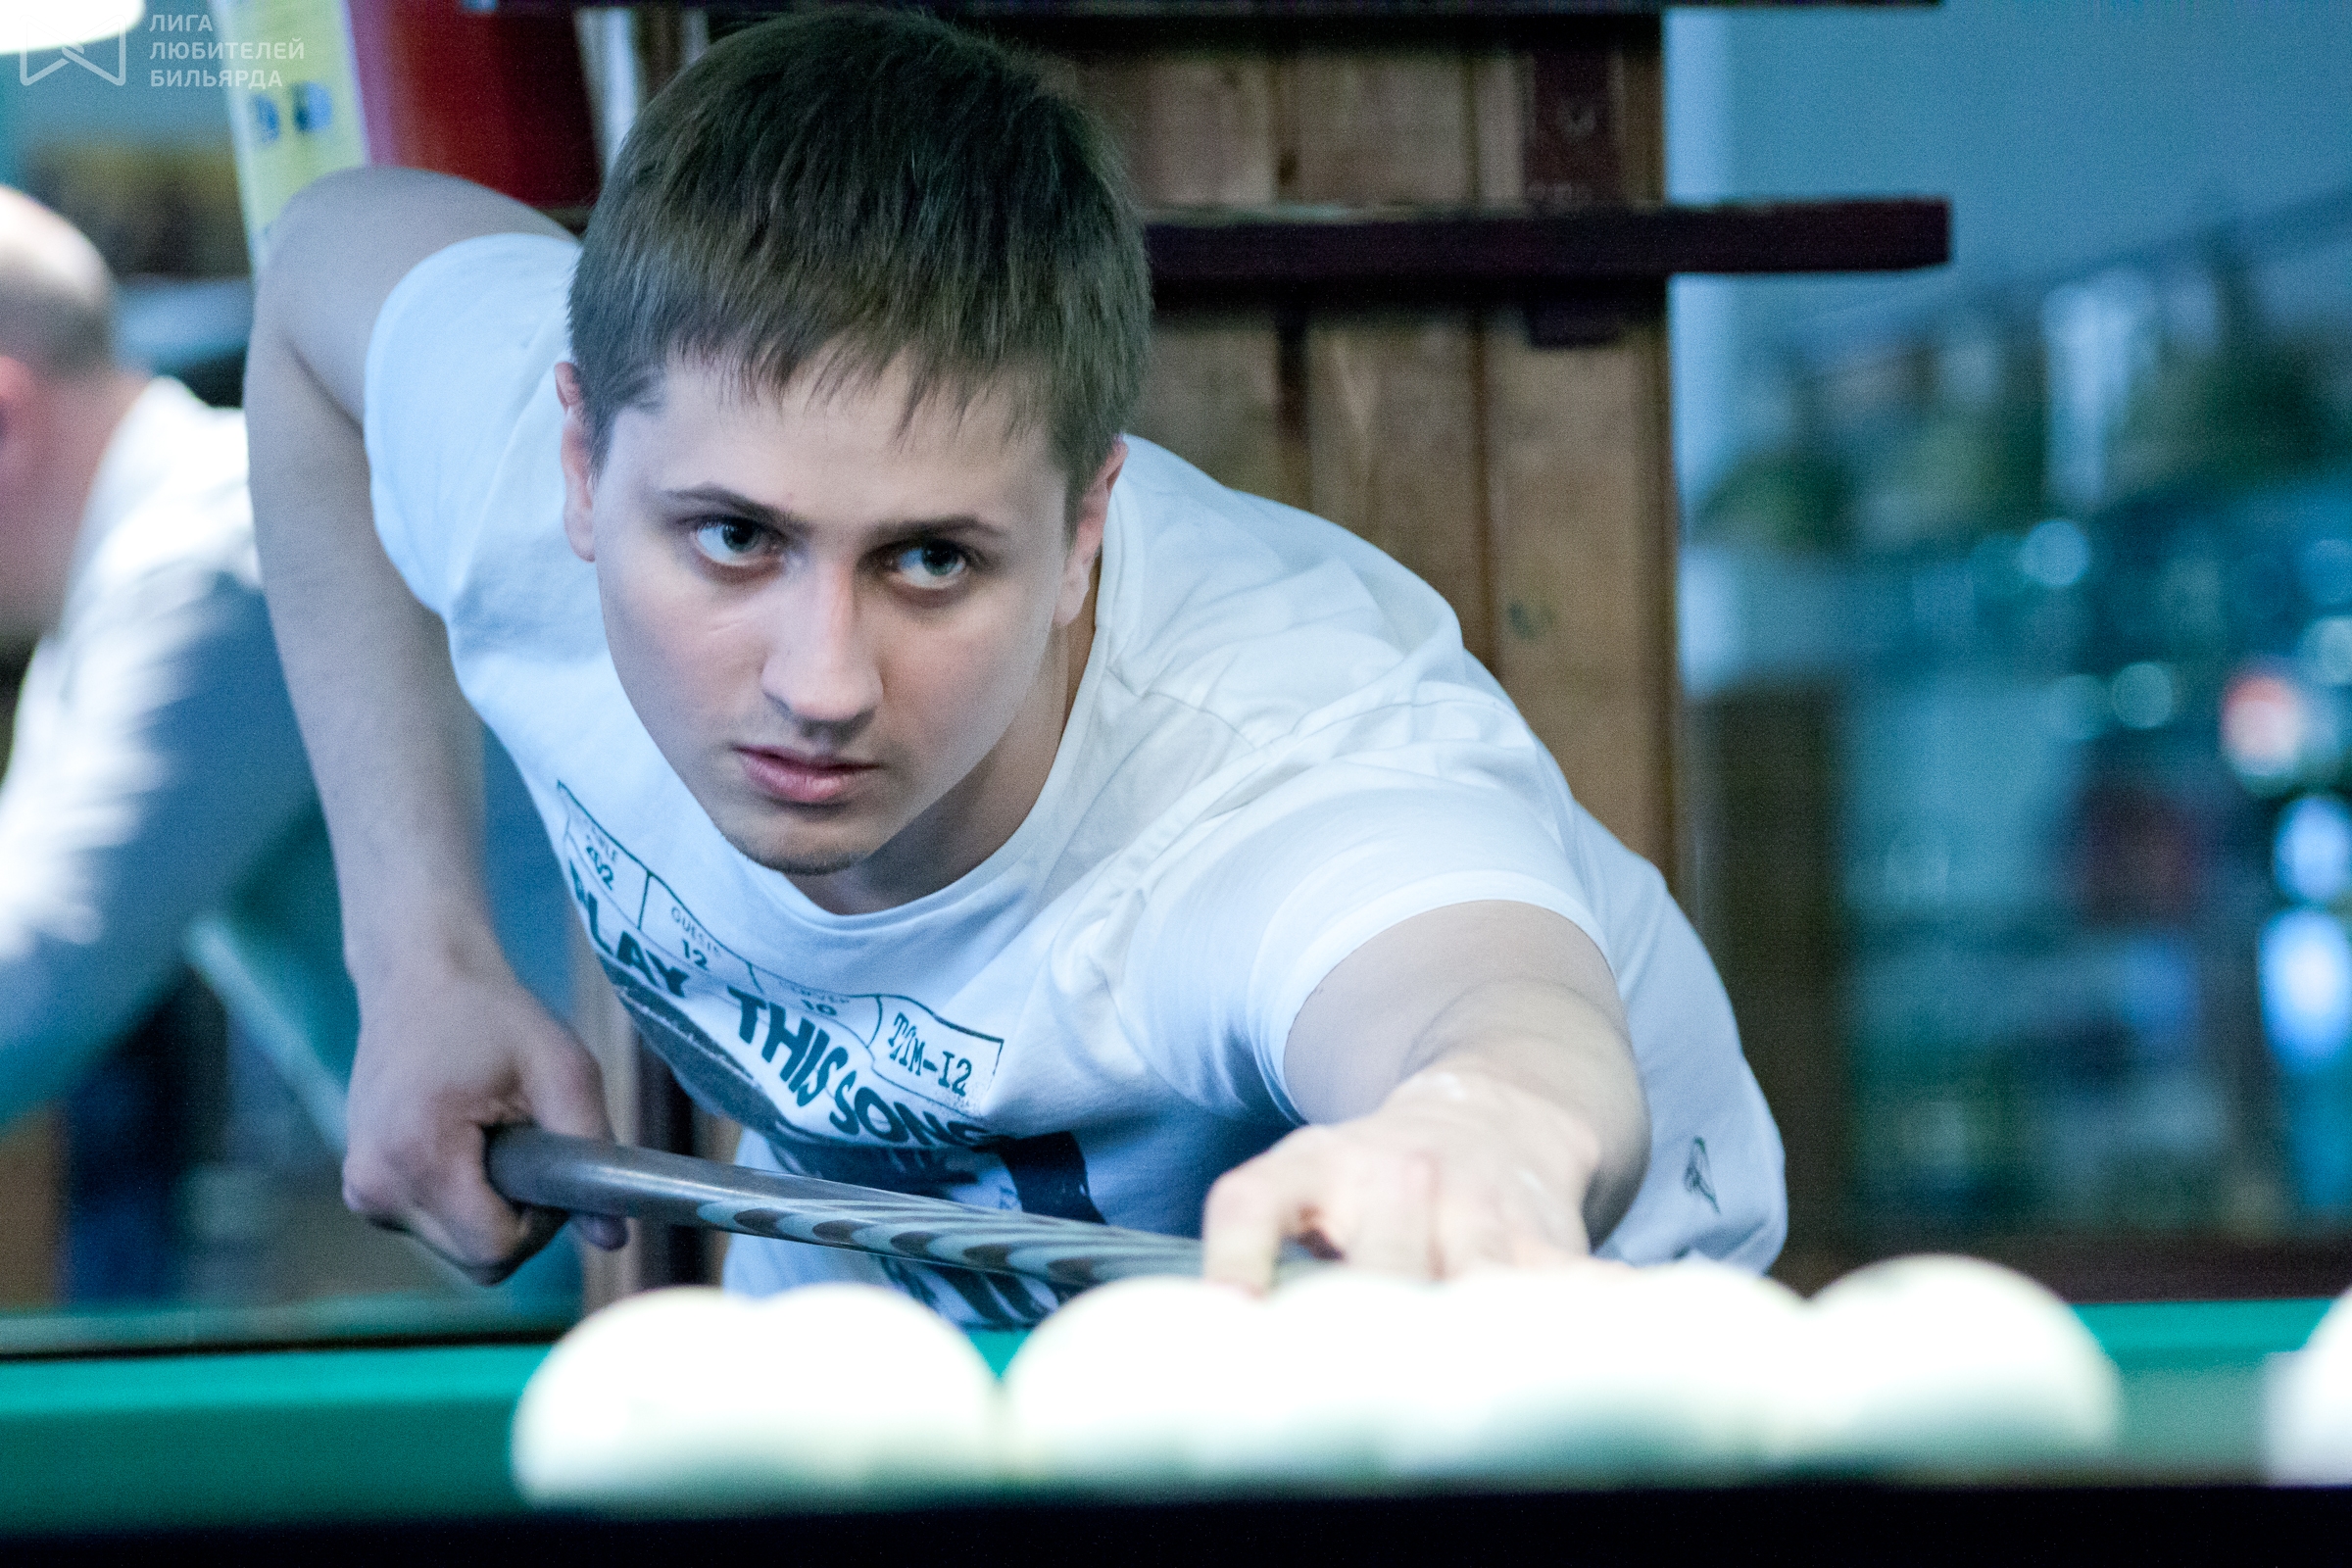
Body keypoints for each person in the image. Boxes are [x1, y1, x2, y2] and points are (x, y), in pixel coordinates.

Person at [249, 10, 1784, 1325]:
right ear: (582, 462)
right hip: (912, 1266)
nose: (821, 685)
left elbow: (1496, 1011)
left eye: (930, 561)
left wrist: (1479, 1123)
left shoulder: (1270, 765)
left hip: (1527, 1328)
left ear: (1082, 530)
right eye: (733, 540)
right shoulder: (518, 463)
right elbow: (321, 262)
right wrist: (420, 959)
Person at [0, 187, 573, 1296]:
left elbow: (21, 997)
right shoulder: (124, 581)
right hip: (571, 1237)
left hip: (657, 1228)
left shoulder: (212, 554)